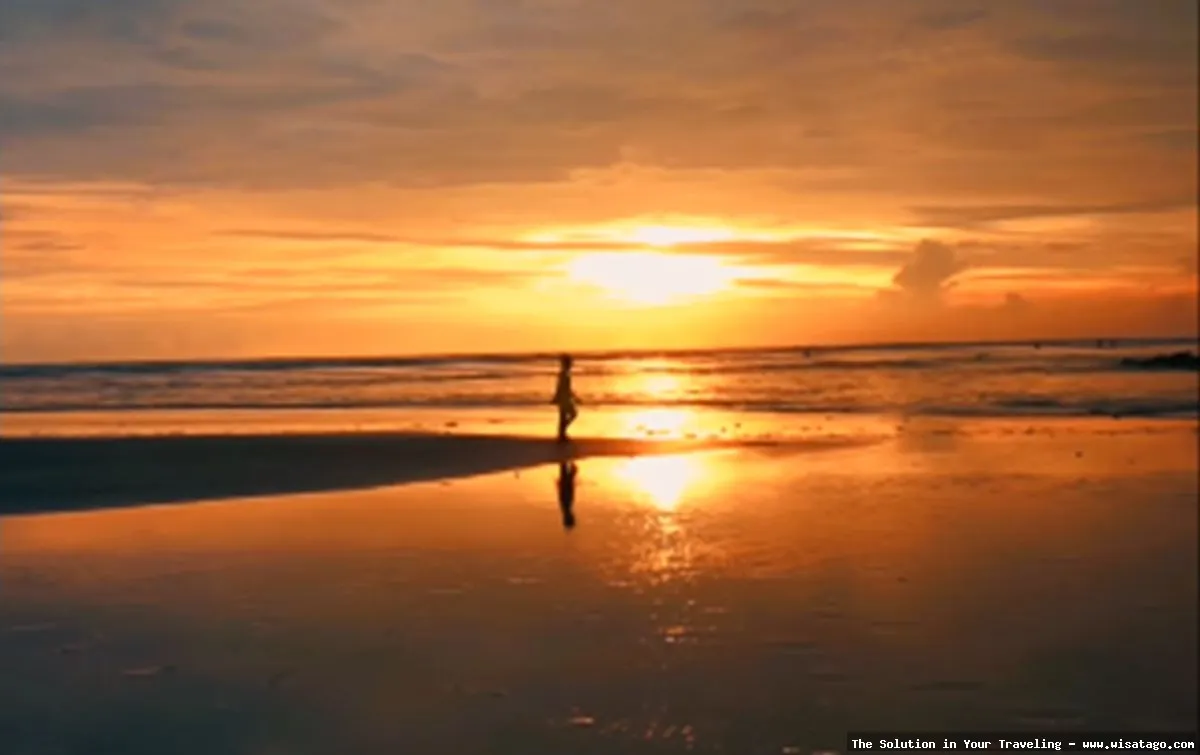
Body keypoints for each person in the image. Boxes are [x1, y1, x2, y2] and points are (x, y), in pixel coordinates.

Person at [552, 354, 581, 442]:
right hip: (564, 398)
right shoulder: (564, 374)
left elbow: (565, 388)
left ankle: (562, 435)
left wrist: (575, 397)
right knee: (572, 414)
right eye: (570, 363)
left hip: (564, 397)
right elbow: (561, 387)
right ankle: (562, 434)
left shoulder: (565, 373)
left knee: (564, 416)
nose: (571, 364)